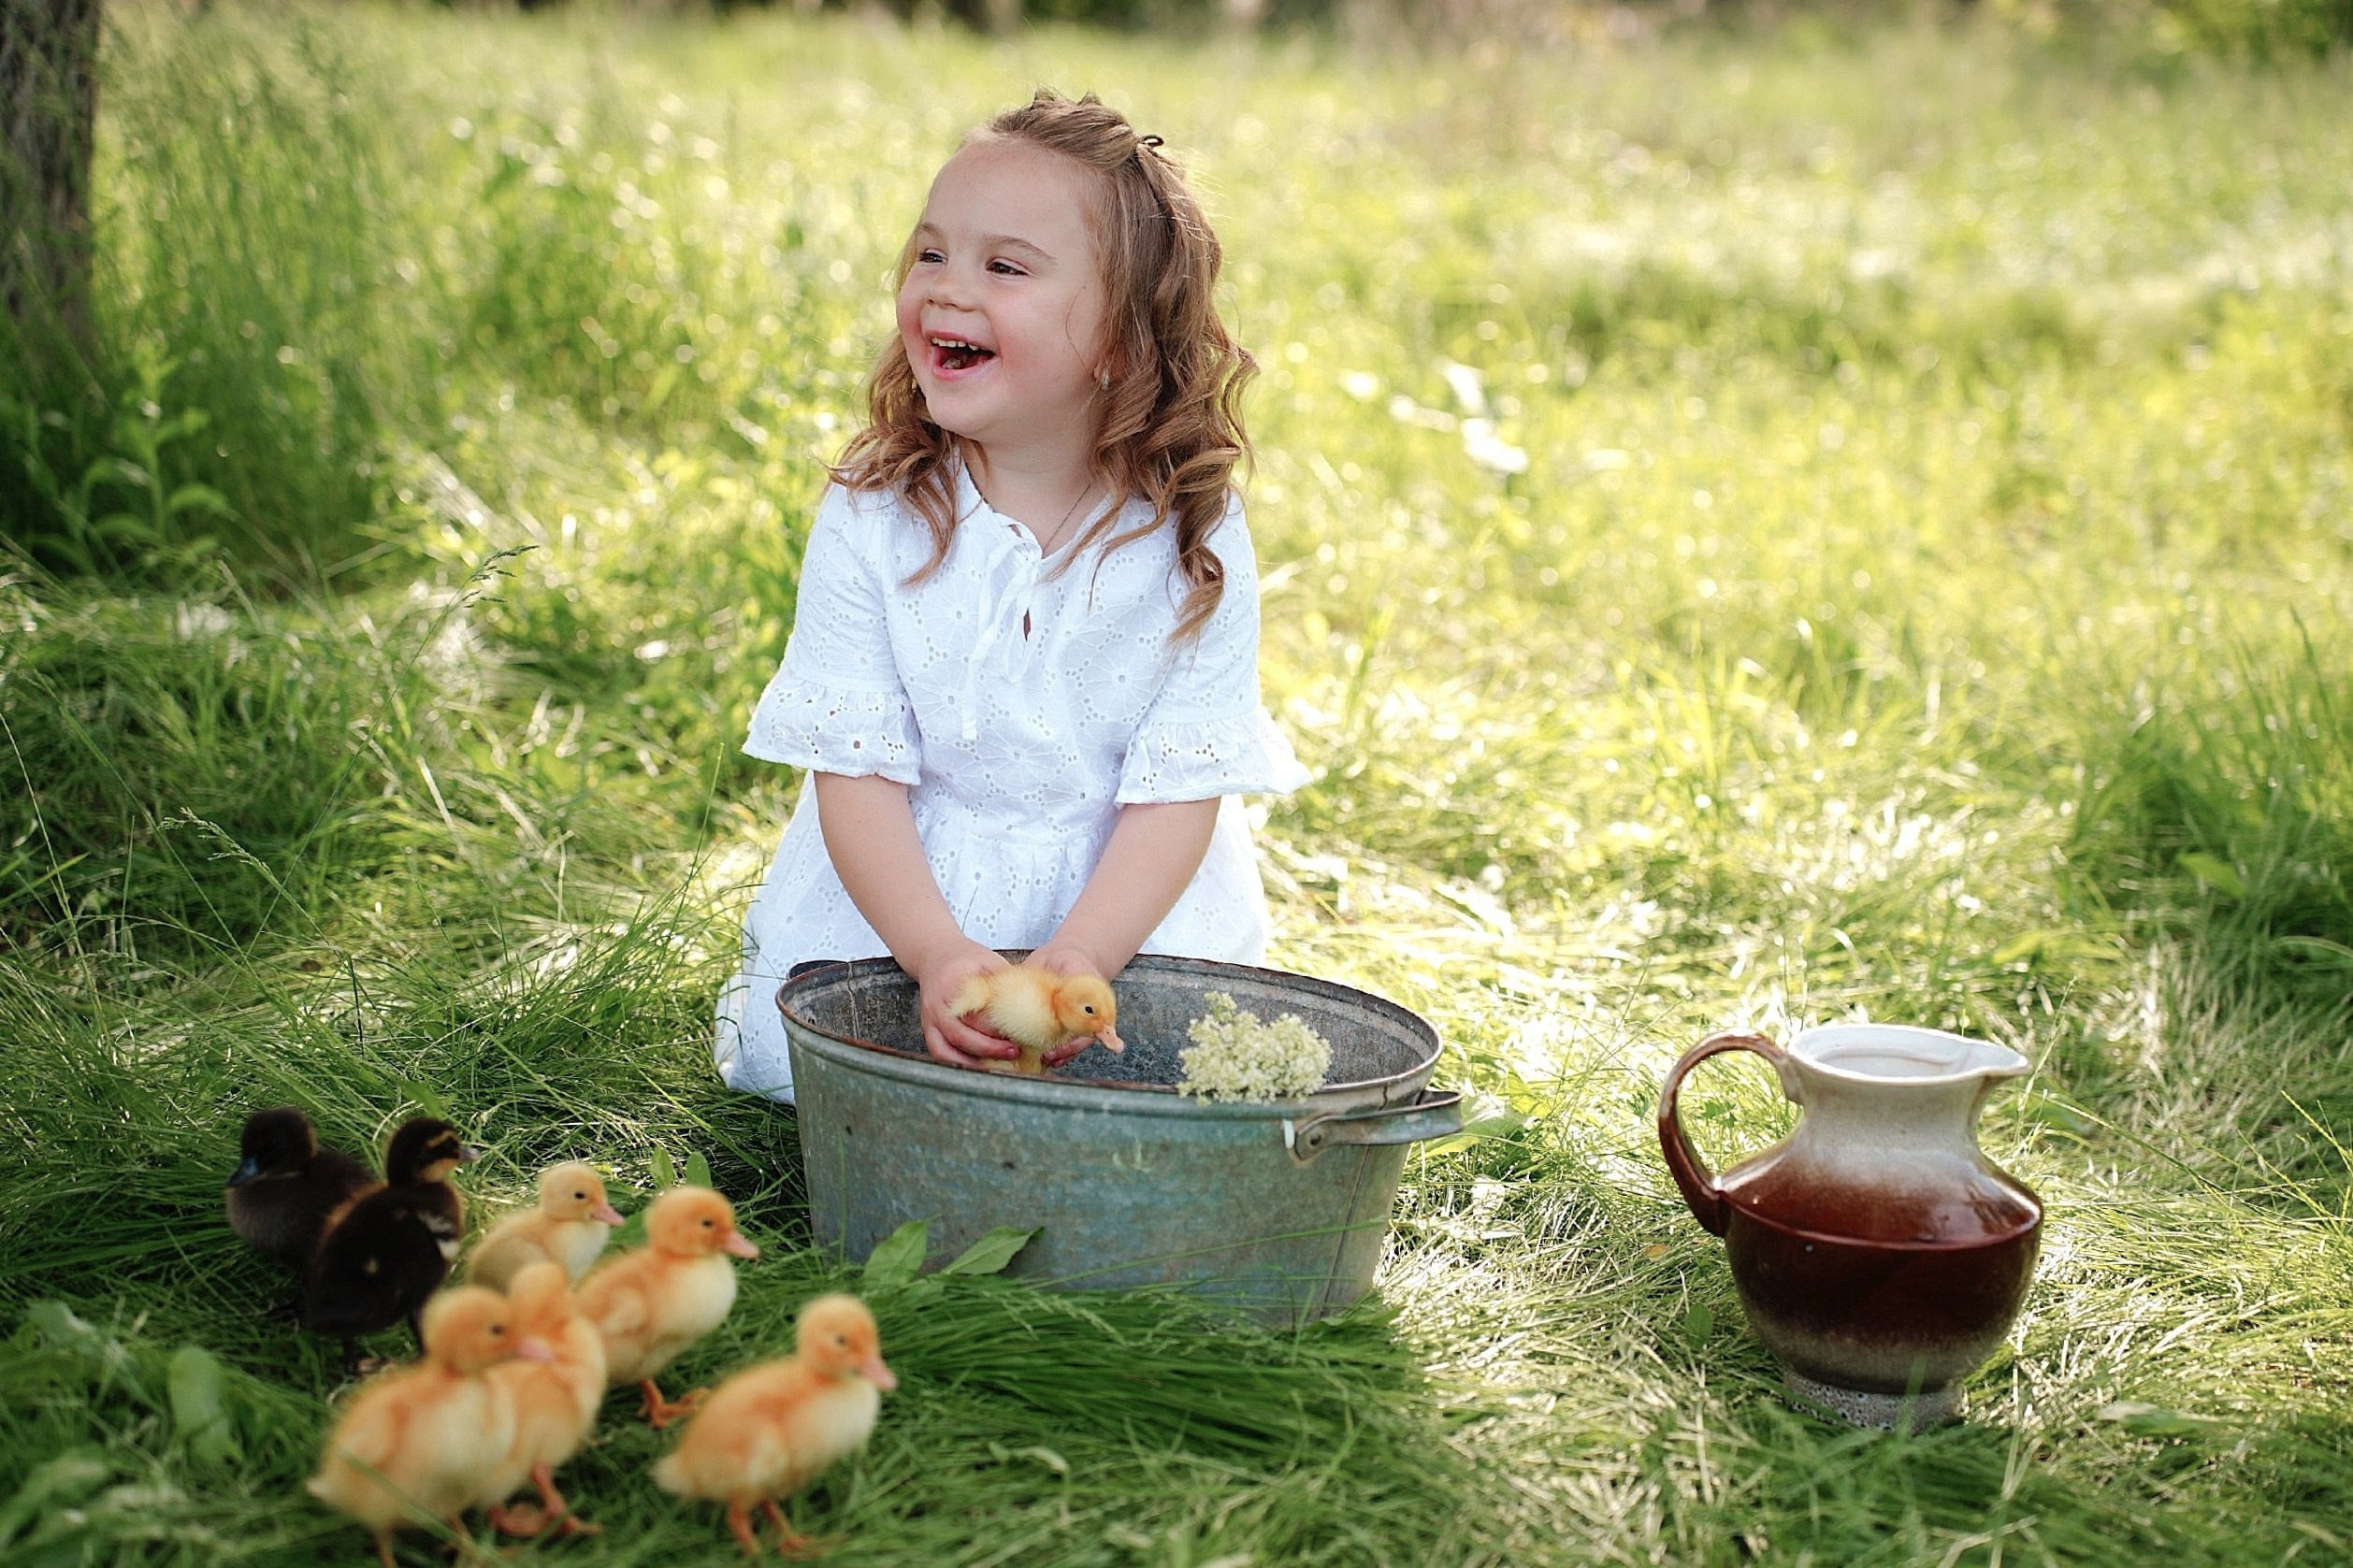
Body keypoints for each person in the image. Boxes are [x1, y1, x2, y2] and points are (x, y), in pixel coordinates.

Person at [713, 90, 1307, 1103]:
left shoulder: (1190, 535)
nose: (944, 290)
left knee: (1160, 1071)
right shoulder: (875, 513)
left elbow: (1177, 792)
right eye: (930, 253)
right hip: (904, 891)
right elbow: (852, 771)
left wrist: (1083, 957)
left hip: (1121, 897)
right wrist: (937, 954)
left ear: (1120, 338)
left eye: (1003, 267)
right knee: (826, 1063)